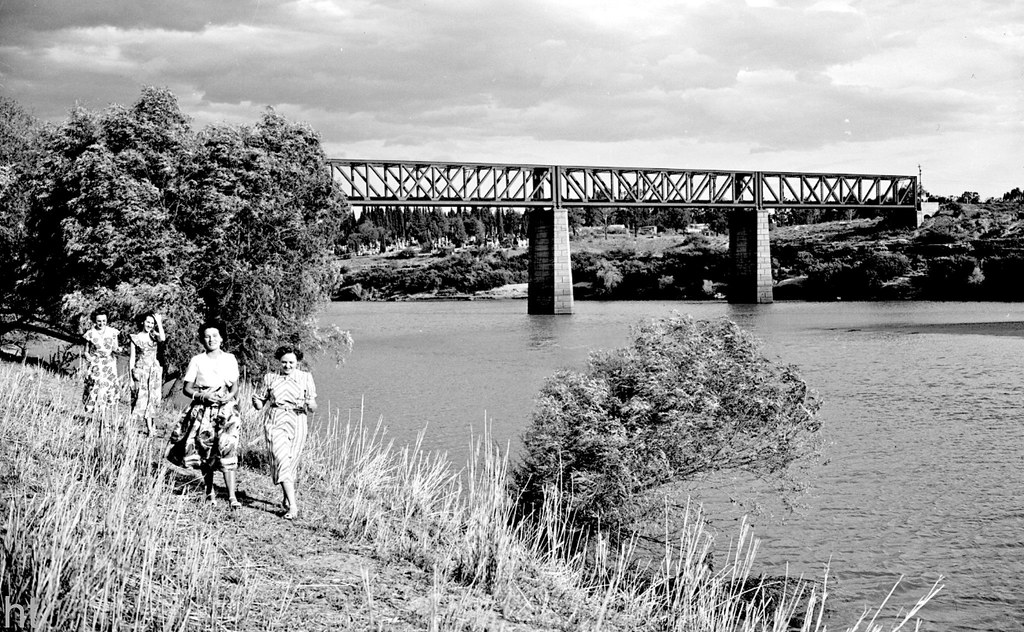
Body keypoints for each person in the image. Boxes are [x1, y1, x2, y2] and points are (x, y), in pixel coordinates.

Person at [166, 322, 242, 508]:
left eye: (215, 335)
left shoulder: (230, 358)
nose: (211, 339)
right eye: (207, 336)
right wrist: (201, 395)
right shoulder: (197, 360)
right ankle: (209, 491)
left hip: (226, 411)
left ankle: (232, 496)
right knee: (205, 450)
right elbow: (187, 388)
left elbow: (234, 386)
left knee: (227, 448)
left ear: (222, 338)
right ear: (202, 339)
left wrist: (228, 397)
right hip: (204, 410)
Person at [251, 345, 317, 520]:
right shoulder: (270, 378)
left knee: (291, 463)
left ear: (298, 362)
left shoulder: (305, 378)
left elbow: (313, 406)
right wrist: (255, 401)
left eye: (291, 362)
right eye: (284, 362)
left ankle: (287, 498)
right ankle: (293, 507)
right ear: (279, 362)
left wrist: (310, 406)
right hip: (275, 421)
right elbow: (260, 403)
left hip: (297, 422)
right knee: (281, 459)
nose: (287, 366)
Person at [128, 312, 166, 434]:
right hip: (141, 371)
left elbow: (163, 338)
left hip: (154, 372)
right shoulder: (135, 338)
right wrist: (130, 378)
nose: (150, 325)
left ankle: (150, 429)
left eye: (152, 323)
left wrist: (159, 322)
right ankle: (130, 427)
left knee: (152, 399)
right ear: (143, 322)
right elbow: (132, 358)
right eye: (148, 322)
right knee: (139, 398)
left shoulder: (154, 335)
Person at [81, 309, 121, 415]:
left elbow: (115, 348)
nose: (101, 323)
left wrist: (118, 350)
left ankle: (104, 417)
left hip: (109, 364)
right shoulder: (90, 333)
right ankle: (94, 414)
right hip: (96, 363)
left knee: (107, 389)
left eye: (104, 321)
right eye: (99, 321)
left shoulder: (112, 332)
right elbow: (86, 351)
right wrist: (89, 357)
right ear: (95, 320)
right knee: (95, 387)